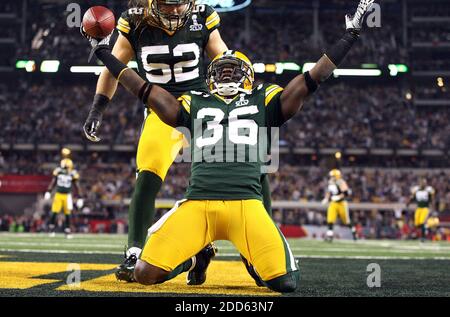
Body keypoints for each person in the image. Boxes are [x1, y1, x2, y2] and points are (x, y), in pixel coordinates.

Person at [82, 0, 374, 292]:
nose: (227, 76)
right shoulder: (186, 94)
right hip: (191, 163)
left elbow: (309, 77)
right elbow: (143, 89)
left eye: (234, 72)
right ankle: (163, 255)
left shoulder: (260, 96)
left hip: (241, 194)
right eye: (222, 72)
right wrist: (102, 70)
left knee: (281, 276)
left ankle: (257, 247)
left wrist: (349, 37)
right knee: (147, 211)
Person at [82, 0, 264, 283]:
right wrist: (98, 108)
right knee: (148, 174)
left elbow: (225, 60)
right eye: (168, 5)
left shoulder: (202, 15)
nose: (176, 11)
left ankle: (256, 253)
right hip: (160, 110)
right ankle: (135, 251)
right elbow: (114, 67)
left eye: (180, 5)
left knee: (246, 166)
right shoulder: (135, 21)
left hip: (201, 108)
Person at [45, 158, 83, 239]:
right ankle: (51, 229)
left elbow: (77, 185)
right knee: (54, 212)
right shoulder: (59, 171)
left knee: (68, 214)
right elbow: (53, 181)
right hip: (58, 194)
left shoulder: (72, 173)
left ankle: (67, 230)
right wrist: (48, 191)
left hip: (67, 195)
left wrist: (80, 197)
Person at [321, 169, 357, 241]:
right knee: (330, 218)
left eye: (332, 176)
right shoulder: (330, 182)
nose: (331, 177)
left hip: (341, 203)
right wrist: (326, 198)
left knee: (346, 221)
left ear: (336, 176)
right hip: (333, 203)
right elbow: (329, 192)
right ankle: (330, 235)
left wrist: (339, 196)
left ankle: (354, 232)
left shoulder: (341, 182)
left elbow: (346, 193)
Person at [407, 178, 435, 242]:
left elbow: (432, 199)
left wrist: (433, 207)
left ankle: (423, 237)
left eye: (424, 182)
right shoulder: (416, 189)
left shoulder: (429, 190)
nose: (423, 184)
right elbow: (412, 197)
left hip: (425, 208)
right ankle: (425, 229)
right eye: (422, 182)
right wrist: (408, 202)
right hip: (419, 208)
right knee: (417, 224)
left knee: (422, 222)